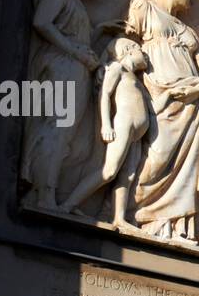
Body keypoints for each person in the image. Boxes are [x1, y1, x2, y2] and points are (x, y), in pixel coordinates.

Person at [125, 0, 199, 246]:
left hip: (192, 101)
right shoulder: (144, 7)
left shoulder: (189, 32)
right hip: (158, 93)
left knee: (188, 166)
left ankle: (179, 227)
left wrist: (198, 89)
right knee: (156, 155)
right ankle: (141, 212)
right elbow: (126, 45)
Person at [21, 0, 101, 209]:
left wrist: (101, 31)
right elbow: (42, 22)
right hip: (61, 65)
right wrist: (76, 52)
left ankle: (45, 191)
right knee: (56, 130)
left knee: (65, 136)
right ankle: (42, 194)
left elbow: (75, 33)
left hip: (72, 67)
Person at [58, 37, 159, 228]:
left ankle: (119, 218)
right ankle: (68, 205)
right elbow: (105, 94)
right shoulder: (117, 68)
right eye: (140, 50)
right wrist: (106, 125)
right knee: (109, 170)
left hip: (137, 134)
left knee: (127, 176)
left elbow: (153, 109)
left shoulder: (137, 81)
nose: (145, 55)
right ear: (129, 50)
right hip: (123, 125)